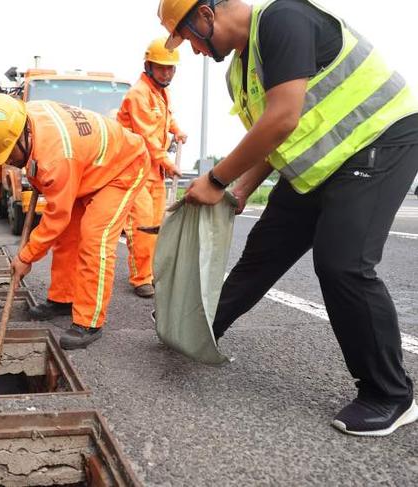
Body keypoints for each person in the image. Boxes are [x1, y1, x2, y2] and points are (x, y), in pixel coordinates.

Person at [157, 0, 418, 436]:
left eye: (192, 39)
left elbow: (283, 118)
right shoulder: (237, 73)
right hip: (320, 164)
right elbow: (271, 136)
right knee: (263, 254)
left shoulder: (283, 19)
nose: (196, 52)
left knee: (343, 264)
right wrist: (241, 188)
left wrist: (218, 179)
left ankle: (390, 394)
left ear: (206, 13)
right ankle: (201, 330)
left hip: (379, 139)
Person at [0, 94, 149, 349]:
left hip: (123, 168)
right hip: (87, 169)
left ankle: (89, 321)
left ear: (22, 136)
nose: (8, 161)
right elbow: (60, 223)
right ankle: (63, 299)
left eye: (9, 154)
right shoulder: (25, 117)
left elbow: (56, 217)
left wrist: (25, 257)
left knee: (94, 238)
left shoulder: (55, 158)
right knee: (68, 238)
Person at [117, 37, 188, 298]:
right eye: (161, 67)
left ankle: (152, 272)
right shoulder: (138, 94)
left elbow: (166, 118)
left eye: (170, 68)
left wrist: (177, 131)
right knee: (143, 226)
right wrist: (169, 163)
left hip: (153, 170)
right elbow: (146, 136)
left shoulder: (161, 91)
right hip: (134, 169)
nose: (166, 72)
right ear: (148, 65)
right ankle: (140, 279)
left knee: (158, 225)